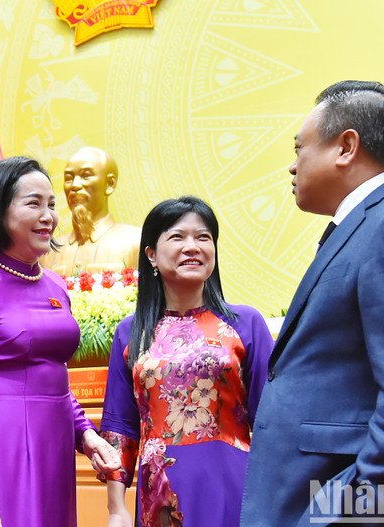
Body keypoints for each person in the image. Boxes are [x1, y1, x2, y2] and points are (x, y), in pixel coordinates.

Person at [241, 81, 384, 526]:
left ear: (346, 146)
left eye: (299, 148)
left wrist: (338, 513)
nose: (292, 166)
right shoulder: (369, 225)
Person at [0, 156, 121, 527]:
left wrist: (86, 434)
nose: (49, 215)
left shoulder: (55, 285)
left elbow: (53, 376)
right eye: (33, 203)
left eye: (51, 204)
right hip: (0, 441)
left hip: (54, 443)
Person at [98, 196, 274, 526]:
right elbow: (120, 428)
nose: (192, 246)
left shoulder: (245, 324)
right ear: (151, 253)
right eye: (177, 237)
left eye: (203, 237)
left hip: (234, 484)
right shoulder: (130, 332)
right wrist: (116, 508)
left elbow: (271, 420)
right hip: (160, 491)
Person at [40, 146, 141, 274]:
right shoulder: (49, 251)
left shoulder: (135, 242)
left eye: (85, 176)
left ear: (109, 184)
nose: (75, 185)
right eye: (69, 178)